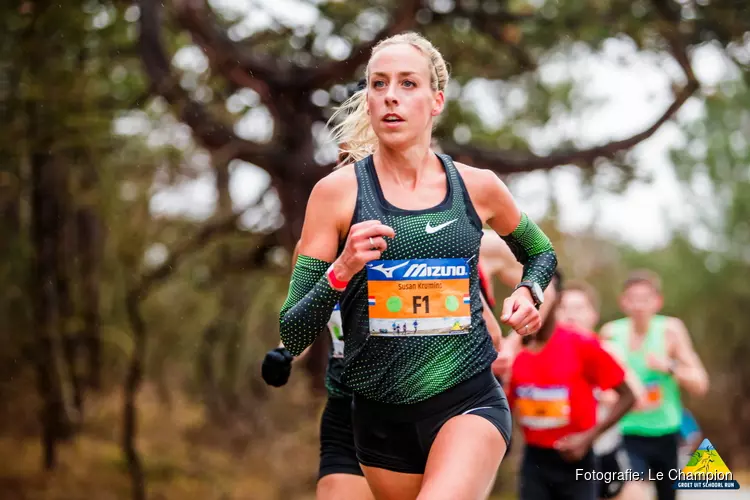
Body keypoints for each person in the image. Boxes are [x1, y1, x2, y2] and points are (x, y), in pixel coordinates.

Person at [278, 31, 557, 499]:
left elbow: (540, 253)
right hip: (377, 419)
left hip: (468, 400)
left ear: (436, 100)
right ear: (367, 100)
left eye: (408, 84)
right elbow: (293, 332)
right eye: (378, 83)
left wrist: (529, 290)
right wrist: (341, 270)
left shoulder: (478, 187)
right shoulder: (335, 195)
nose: (391, 95)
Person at [508, 270, 636, 500]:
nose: (537, 298)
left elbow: (628, 396)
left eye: (545, 290)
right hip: (534, 461)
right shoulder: (512, 351)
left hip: (577, 460)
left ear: (558, 297)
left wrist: (588, 438)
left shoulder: (582, 344)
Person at [600, 269, 709, 500]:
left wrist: (669, 366)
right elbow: (599, 389)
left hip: (667, 433)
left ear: (657, 302)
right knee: (632, 493)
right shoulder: (611, 334)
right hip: (627, 433)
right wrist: (617, 398)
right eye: (633, 299)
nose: (639, 306)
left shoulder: (670, 331)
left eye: (645, 299)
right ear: (623, 302)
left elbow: (700, 383)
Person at [557, 280, 643, 500]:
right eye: (564, 308)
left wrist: (608, 396)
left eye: (578, 308)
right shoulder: (545, 353)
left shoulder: (608, 350)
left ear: (593, 315)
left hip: (604, 452)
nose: (570, 315)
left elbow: (638, 397)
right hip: (558, 454)